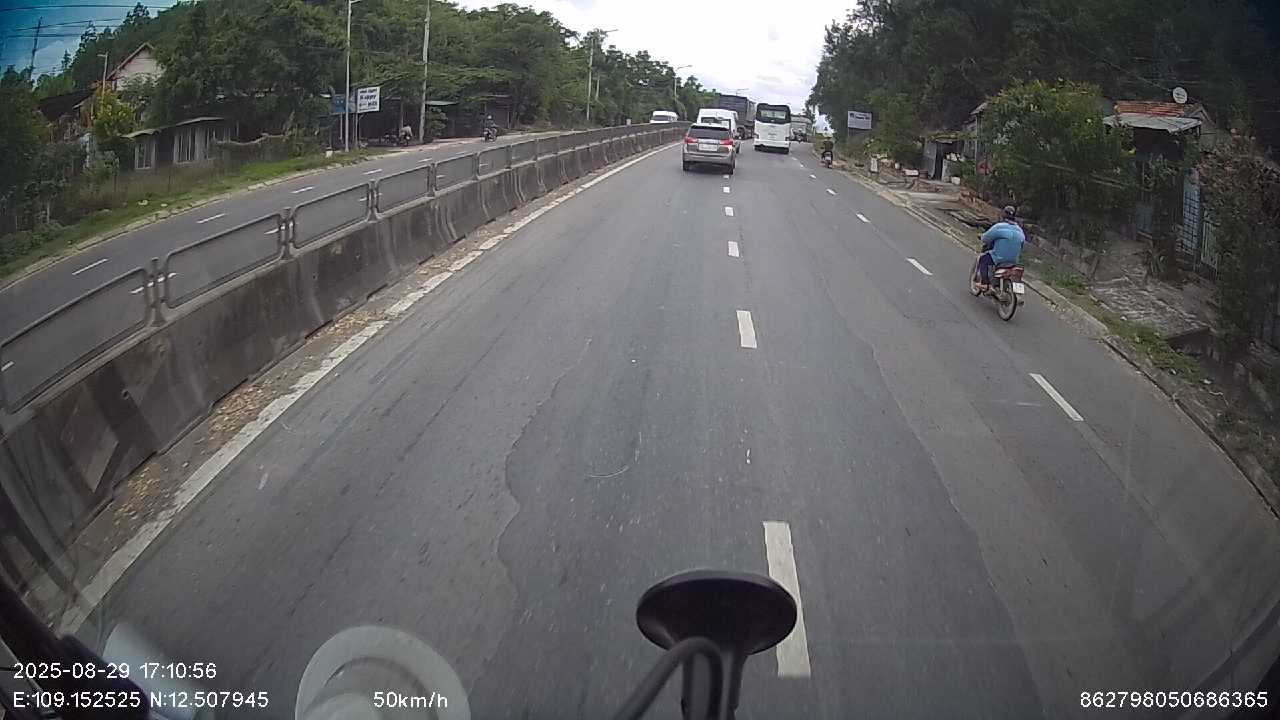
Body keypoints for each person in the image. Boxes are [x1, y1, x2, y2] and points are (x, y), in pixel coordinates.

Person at [976, 206, 1025, 291]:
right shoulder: (1020, 230)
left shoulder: (999, 227)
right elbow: (1022, 243)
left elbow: (986, 238)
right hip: (1014, 261)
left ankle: (985, 284)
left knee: (983, 259)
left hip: (999, 258)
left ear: (1003, 215)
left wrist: (981, 236)